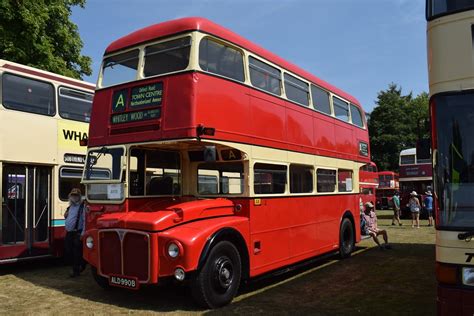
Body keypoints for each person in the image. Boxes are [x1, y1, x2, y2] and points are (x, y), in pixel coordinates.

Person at [64, 188, 87, 277]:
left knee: (76, 253)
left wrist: (83, 233)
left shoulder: (82, 207)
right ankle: (82, 263)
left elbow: (85, 221)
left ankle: (76, 271)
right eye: (73, 195)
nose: (74, 197)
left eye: (76, 195)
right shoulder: (70, 207)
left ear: (79, 196)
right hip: (69, 232)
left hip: (78, 232)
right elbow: (68, 217)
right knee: (68, 250)